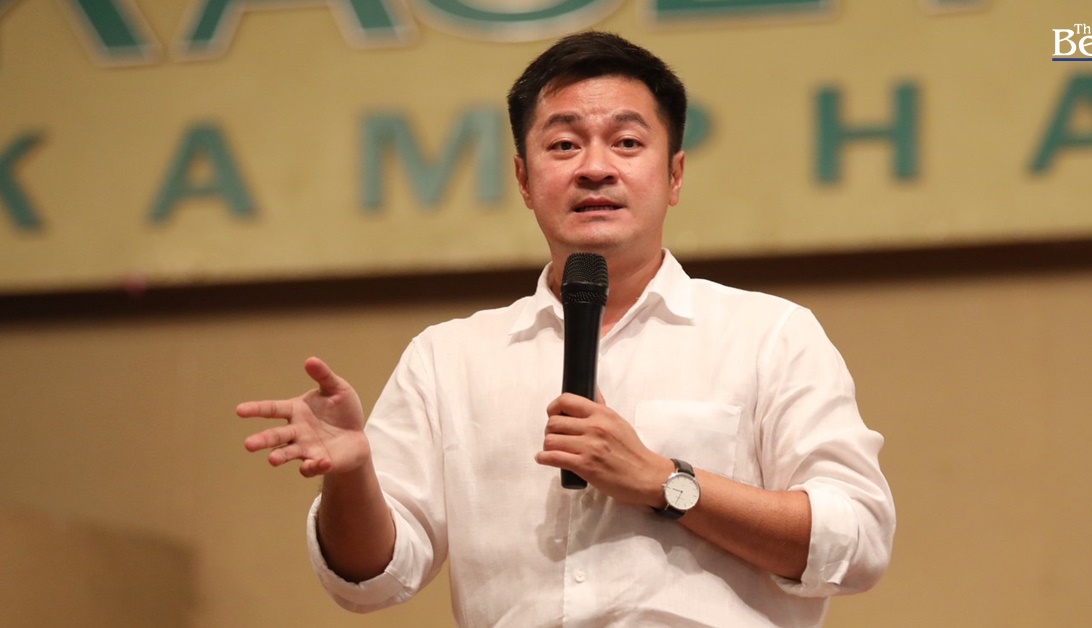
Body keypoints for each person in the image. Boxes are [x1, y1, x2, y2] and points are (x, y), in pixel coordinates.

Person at [238, 31, 895, 627]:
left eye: (627, 142)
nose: (595, 167)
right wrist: (351, 477)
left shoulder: (769, 335)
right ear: (524, 180)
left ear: (674, 175)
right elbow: (372, 580)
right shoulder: (449, 358)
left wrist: (663, 481)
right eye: (563, 145)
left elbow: (858, 540)